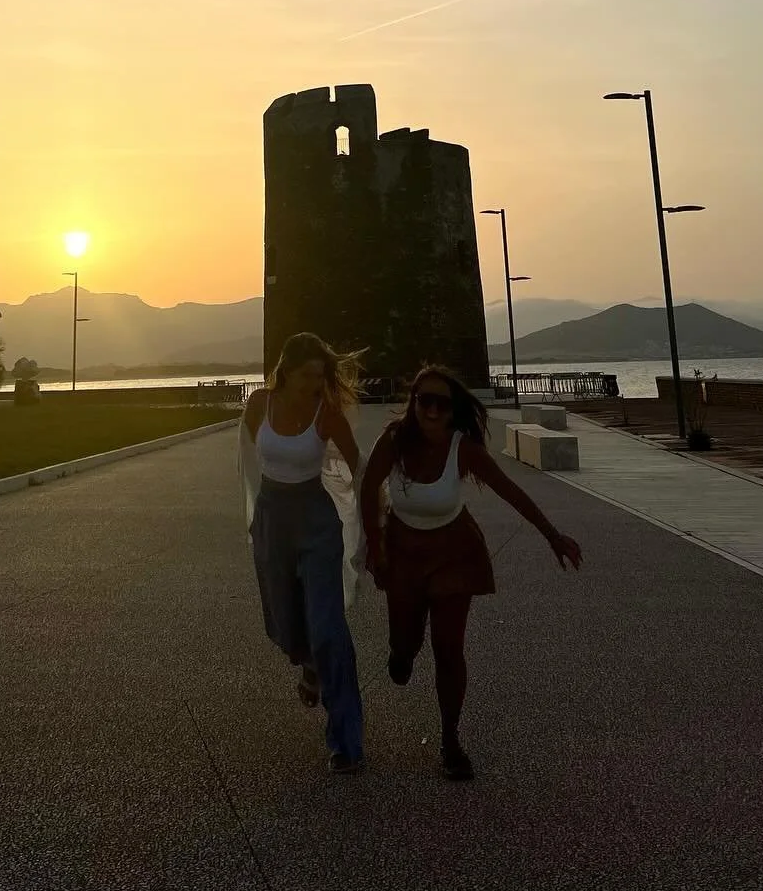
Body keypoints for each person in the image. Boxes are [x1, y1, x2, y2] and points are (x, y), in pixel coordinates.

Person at [360, 365, 583, 781]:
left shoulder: (462, 448)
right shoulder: (393, 442)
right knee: (404, 643)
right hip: (404, 551)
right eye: (423, 400)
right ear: (413, 403)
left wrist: (552, 535)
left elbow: (510, 490)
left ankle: (450, 740)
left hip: (453, 551)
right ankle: (402, 653)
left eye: (440, 403)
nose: (430, 409)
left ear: (451, 410)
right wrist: (376, 549)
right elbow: (368, 489)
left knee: (449, 649)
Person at [239, 331, 367, 774]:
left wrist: (374, 521)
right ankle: (309, 664)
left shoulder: (326, 415)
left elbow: (357, 464)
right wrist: (255, 514)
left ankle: (345, 741)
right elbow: (248, 458)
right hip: (274, 519)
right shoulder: (259, 405)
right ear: (286, 371)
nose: (316, 382)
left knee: (329, 628)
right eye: (308, 374)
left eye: (321, 374)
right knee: (285, 623)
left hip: (316, 521)